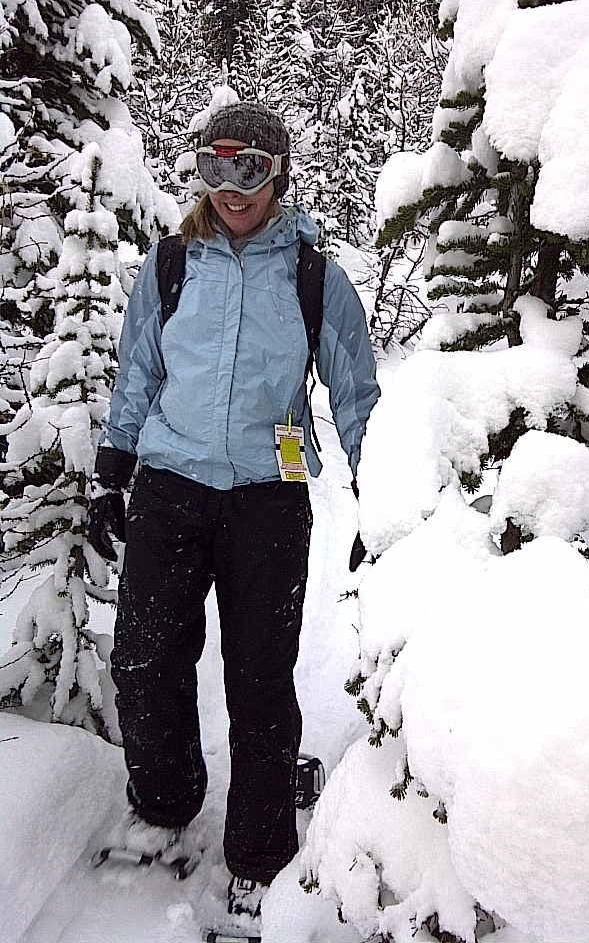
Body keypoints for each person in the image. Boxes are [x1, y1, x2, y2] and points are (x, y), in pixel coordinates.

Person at [86, 102, 380, 930]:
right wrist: (115, 464)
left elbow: (356, 392)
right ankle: (166, 804)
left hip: (267, 501)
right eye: (214, 168)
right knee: (144, 663)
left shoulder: (312, 275)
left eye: (248, 167)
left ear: (277, 172)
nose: (231, 188)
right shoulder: (174, 261)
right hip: (172, 486)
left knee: (258, 683)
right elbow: (140, 363)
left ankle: (259, 854)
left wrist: (379, 497)